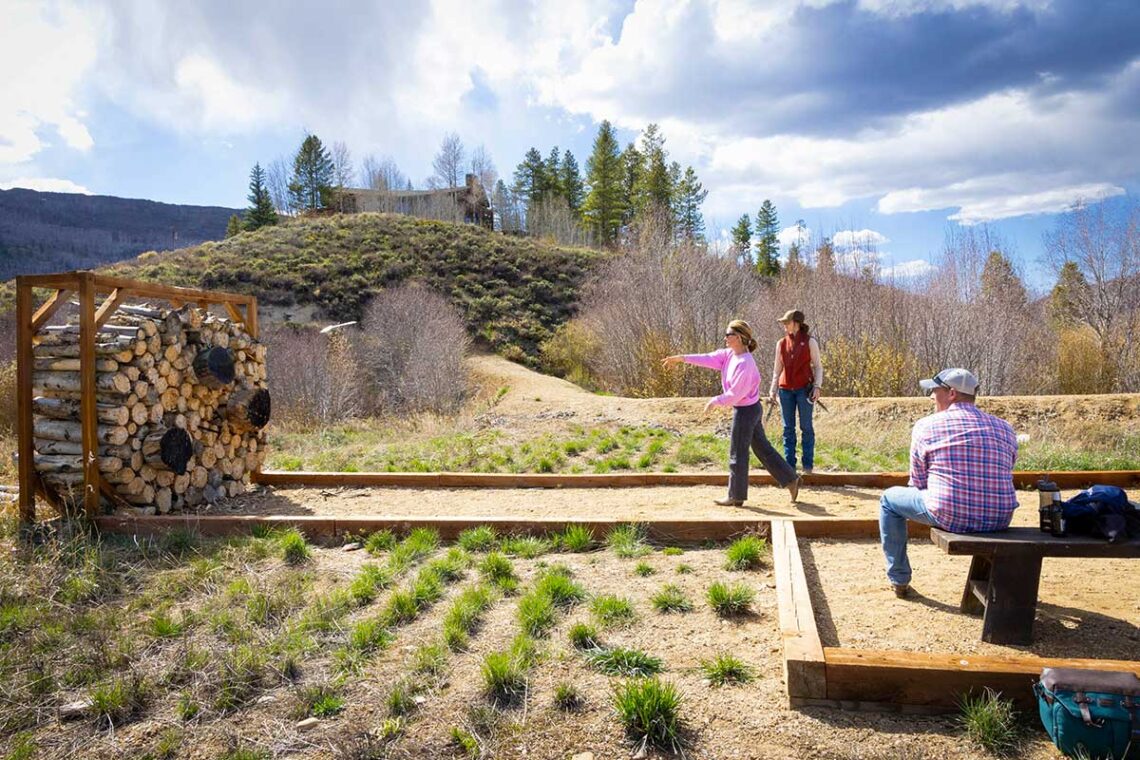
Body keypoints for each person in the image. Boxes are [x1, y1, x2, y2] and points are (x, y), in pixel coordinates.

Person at [879, 368, 1018, 598]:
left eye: (935, 390)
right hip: (1000, 517)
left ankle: (899, 578)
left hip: (950, 513)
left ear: (951, 393)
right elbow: (1007, 468)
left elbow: (918, 482)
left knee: (888, 500)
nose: (931, 396)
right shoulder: (1005, 427)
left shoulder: (926, 426)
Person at [662, 320, 801, 506]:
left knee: (738, 453)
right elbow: (707, 358)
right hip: (749, 409)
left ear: (740, 338)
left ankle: (736, 496)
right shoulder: (729, 355)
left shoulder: (745, 364)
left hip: (746, 412)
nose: (725, 338)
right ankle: (791, 479)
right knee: (763, 449)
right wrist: (681, 358)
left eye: (729, 335)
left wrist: (714, 402)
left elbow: (735, 394)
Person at [768, 309, 823, 475]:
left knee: (806, 427)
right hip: (785, 390)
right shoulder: (781, 343)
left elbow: (818, 366)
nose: (784, 325)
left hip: (804, 389)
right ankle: (789, 467)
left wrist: (817, 386)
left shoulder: (810, 342)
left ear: (796, 323)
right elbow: (777, 370)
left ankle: (808, 466)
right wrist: (773, 390)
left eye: (787, 322)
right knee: (788, 429)